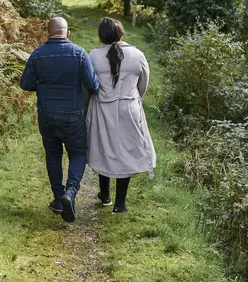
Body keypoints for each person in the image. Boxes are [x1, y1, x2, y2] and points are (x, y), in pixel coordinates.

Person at [20, 16, 99, 223]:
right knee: (78, 153)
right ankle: (70, 193)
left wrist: (43, 86)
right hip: (73, 115)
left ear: (48, 32)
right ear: (68, 32)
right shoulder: (79, 53)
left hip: (47, 114)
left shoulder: (37, 54)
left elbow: (26, 83)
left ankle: (57, 197)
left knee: (53, 155)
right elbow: (92, 85)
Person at [86, 17, 156, 213]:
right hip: (129, 108)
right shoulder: (137, 54)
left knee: (104, 149)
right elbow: (144, 84)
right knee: (125, 151)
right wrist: (132, 98)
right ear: (121, 33)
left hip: (102, 108)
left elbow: (89, 84)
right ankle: (120, 203)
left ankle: (105, 195)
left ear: (101, 36)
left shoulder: (93, 56)